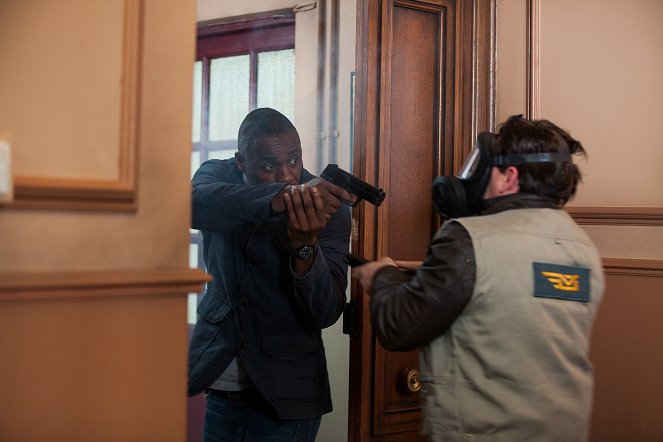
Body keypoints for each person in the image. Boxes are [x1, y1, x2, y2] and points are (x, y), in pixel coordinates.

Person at [352, 115, 605, 441]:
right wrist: (443, 272)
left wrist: (382, 275)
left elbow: (398, 327)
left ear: (508, 177)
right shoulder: (581, 248)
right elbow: (516, 291)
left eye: (481, 166)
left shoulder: (468, 238)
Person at [188, 107, 354, 441]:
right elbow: (193, 203)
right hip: (221, 381)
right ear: (240, 162)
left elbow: (326, 311)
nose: (288, 175)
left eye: (294, 160)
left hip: (290, 392)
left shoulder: (328, 207)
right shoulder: (217, 175)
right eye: (268, 166)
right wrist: (279, 199)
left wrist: (305, 246)